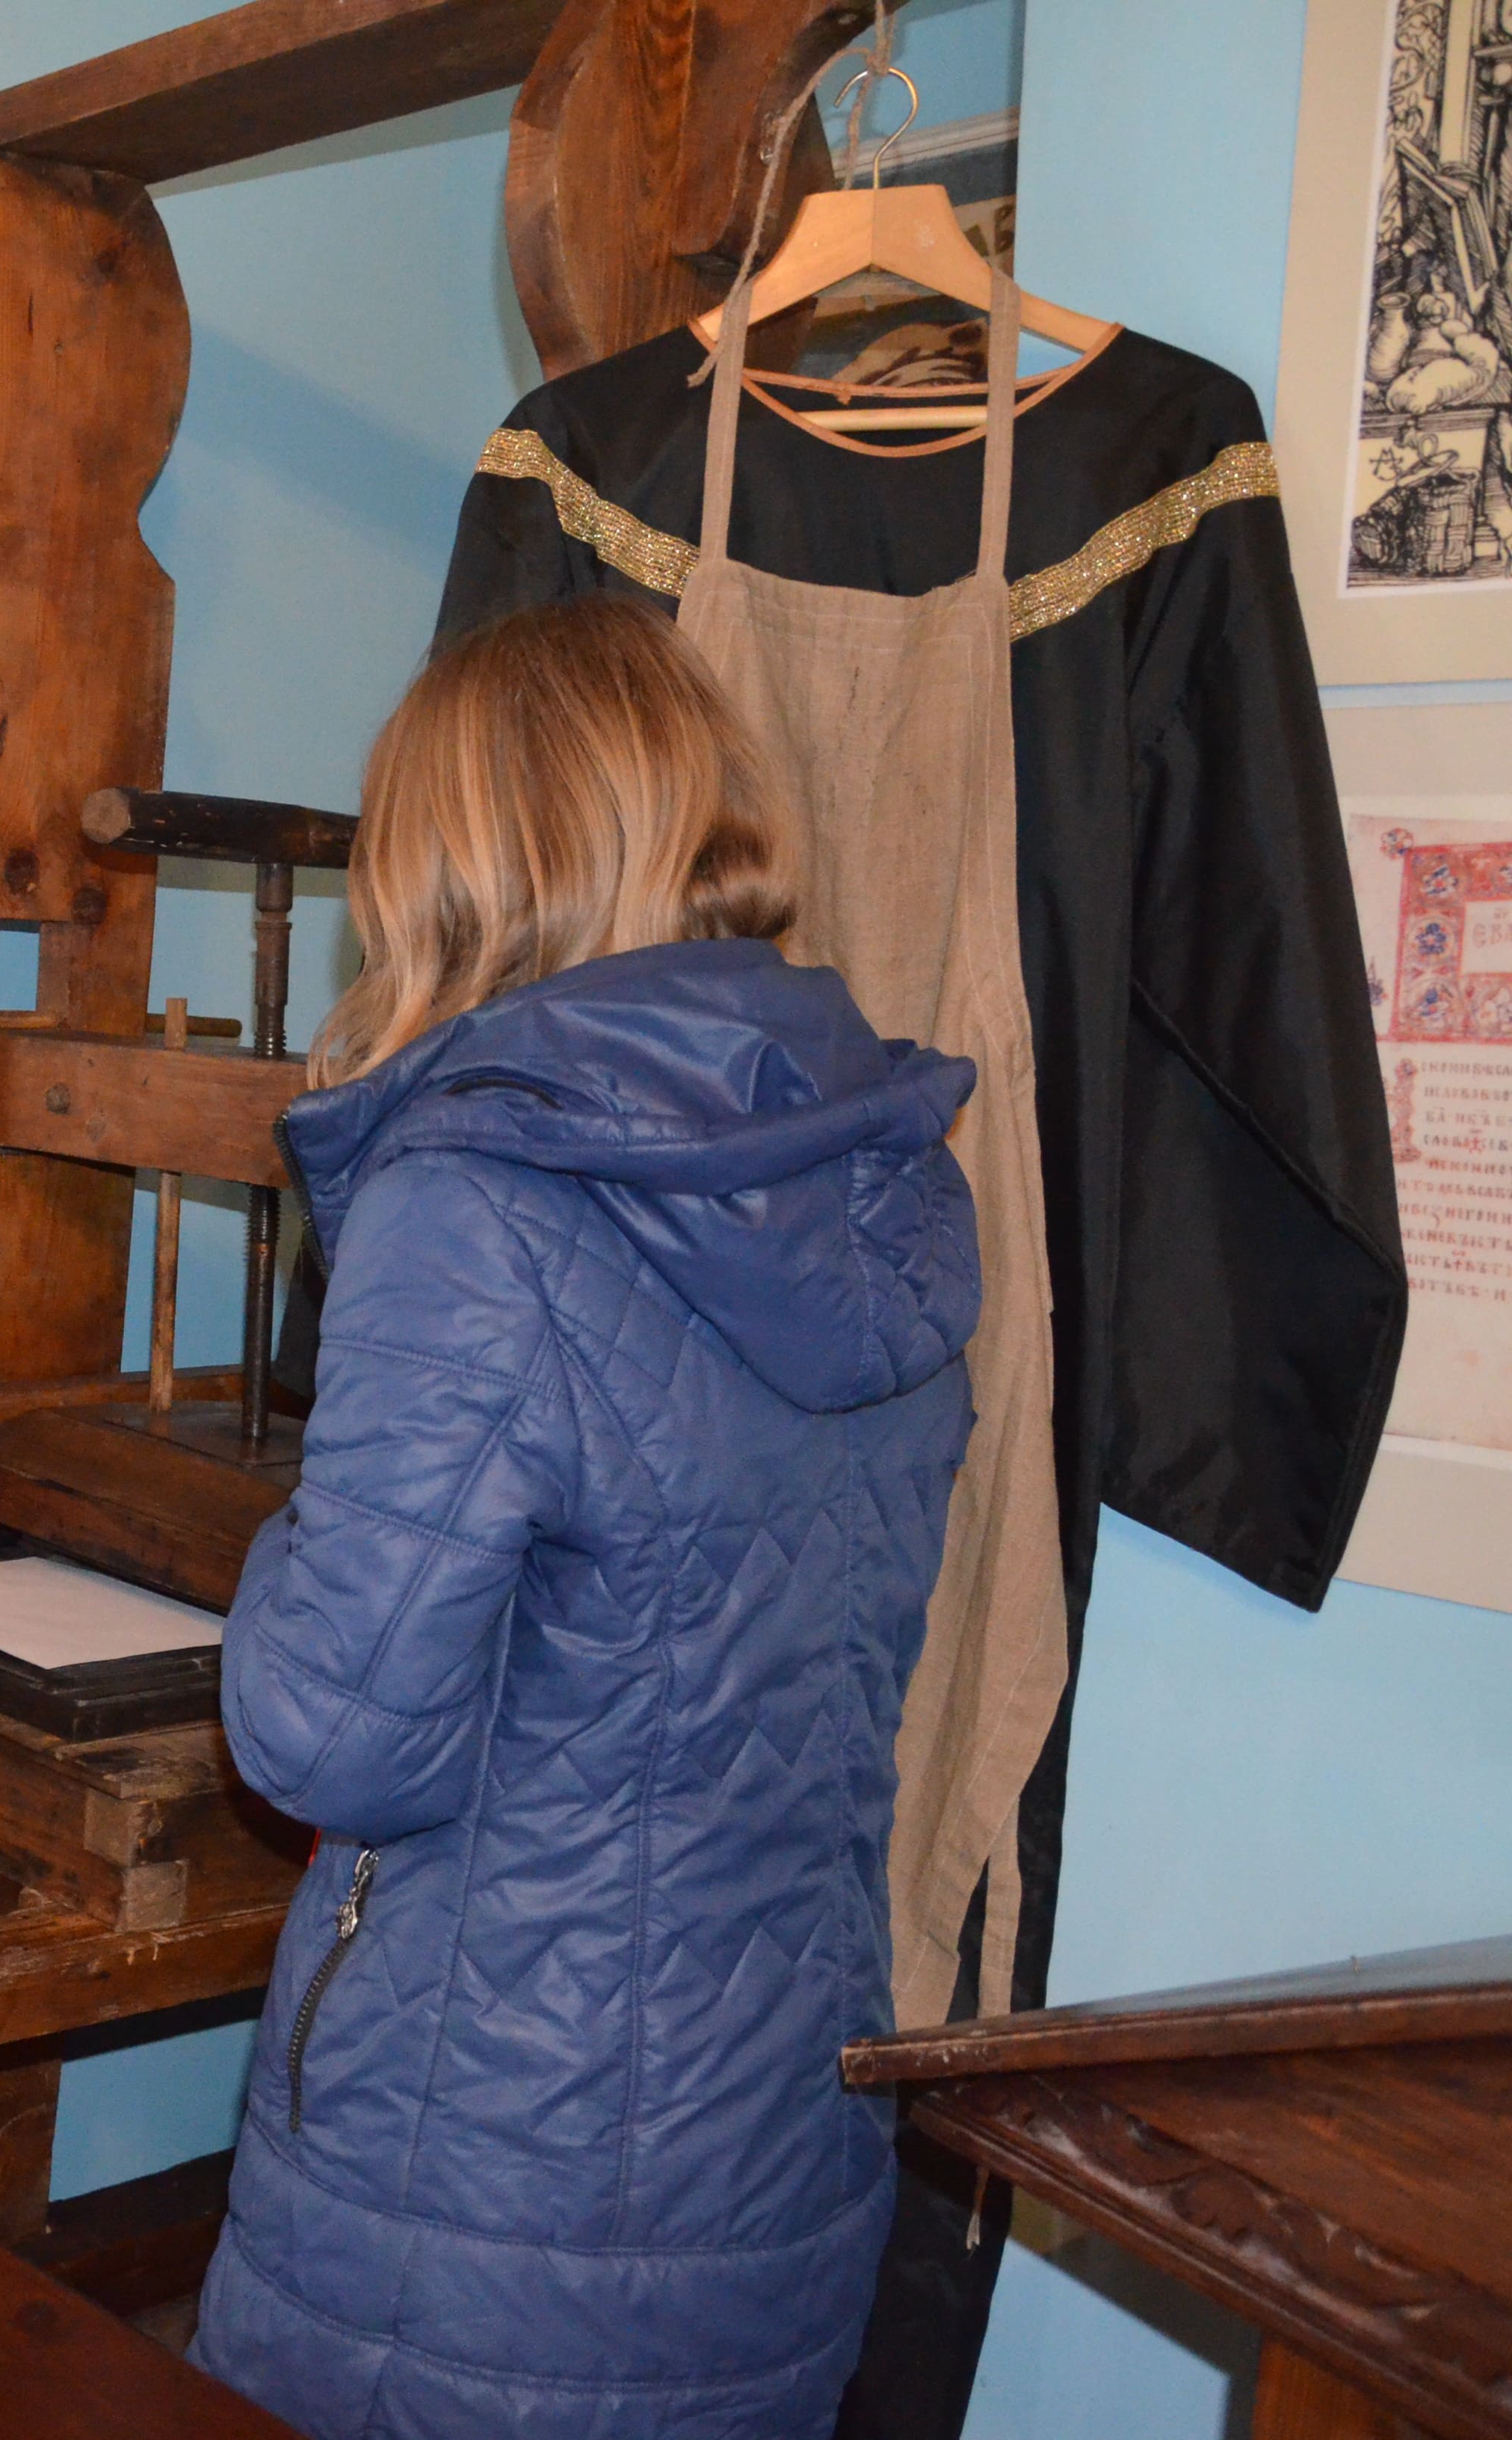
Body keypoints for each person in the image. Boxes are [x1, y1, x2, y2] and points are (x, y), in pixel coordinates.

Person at [188, 598, 984, 2439]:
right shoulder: (879, 1165)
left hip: (488, 2170)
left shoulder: (475, 1198)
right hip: (780, 2138)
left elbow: (329, 1736)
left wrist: (281, 1546)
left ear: (449, 865)